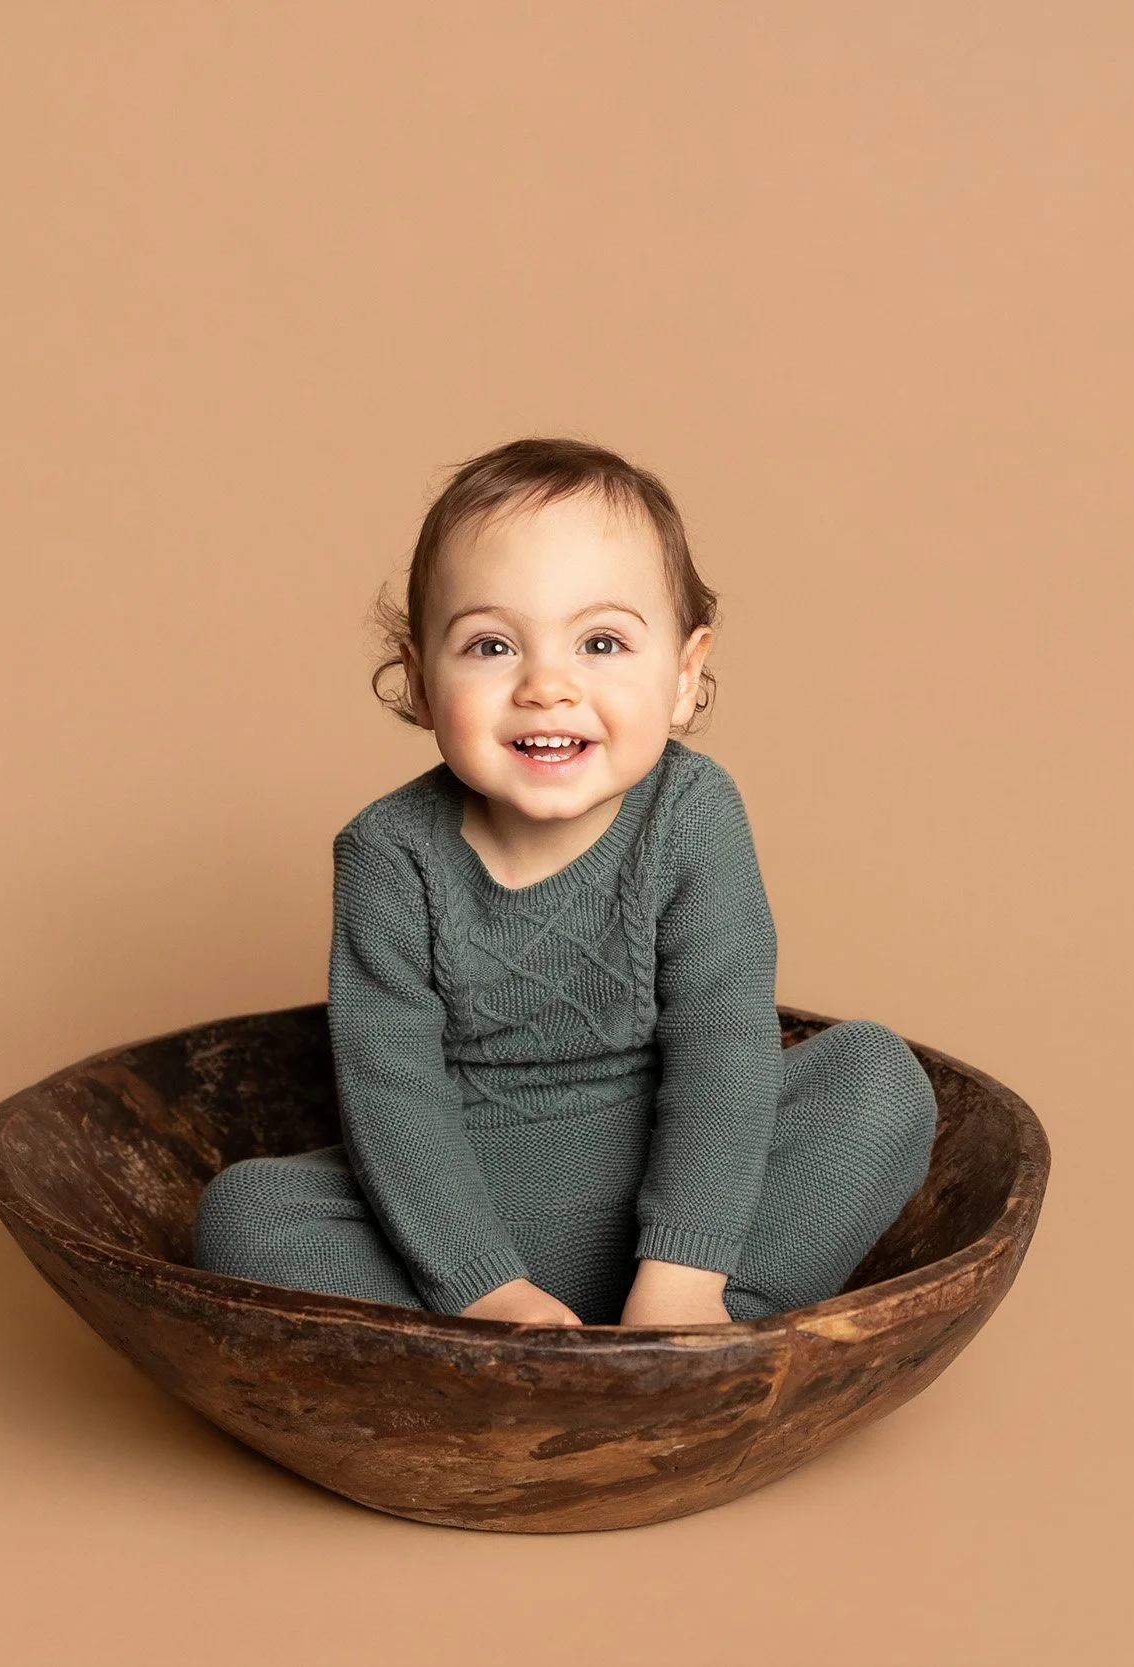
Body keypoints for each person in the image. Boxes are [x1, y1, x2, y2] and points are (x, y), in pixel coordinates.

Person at [192, 437, 937, 1327]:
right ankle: (503, 1345)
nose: (548, 686)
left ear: (685, 677)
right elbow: (393, 1100)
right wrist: (484, 1287)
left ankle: (688, 1342)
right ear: (420, 679)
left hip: (673, 1189)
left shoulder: (690, 814)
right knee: (244, 1214)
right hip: (464, 1213)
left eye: (602, 641)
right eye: (492, 644)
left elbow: (723, 1050)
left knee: (877, 1077)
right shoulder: (390, 854)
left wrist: (685, 1272)